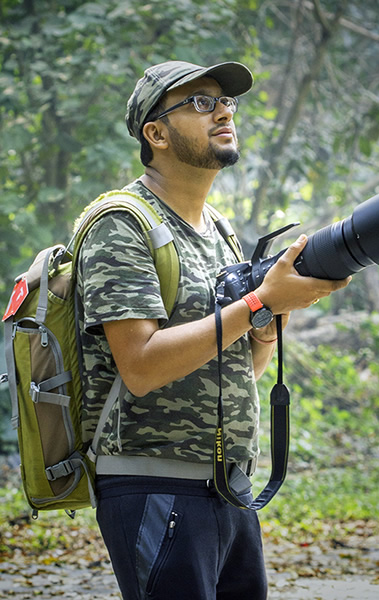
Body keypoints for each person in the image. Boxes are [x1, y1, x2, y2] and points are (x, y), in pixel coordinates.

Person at [76, 60, 350, 600]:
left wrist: (269, 325)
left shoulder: (218, 229)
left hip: (226, 482)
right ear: (155, 133)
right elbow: (141, 367)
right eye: (200, 103)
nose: (223, 110)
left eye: (225, 102)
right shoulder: (123, 224)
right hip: (155, 480)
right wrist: (257, 302)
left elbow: (237, 367)